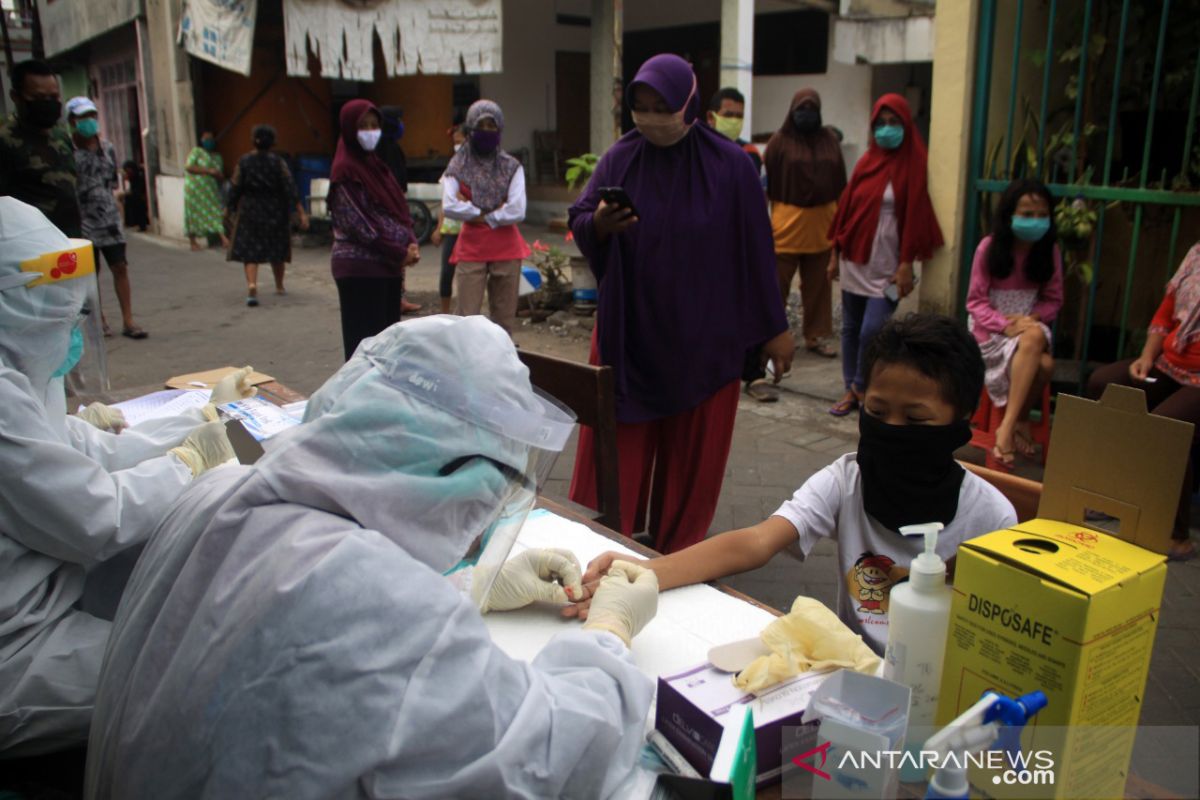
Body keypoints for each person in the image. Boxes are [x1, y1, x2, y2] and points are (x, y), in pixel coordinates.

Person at [85, 316, 660, 799]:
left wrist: (473, 589)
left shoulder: (218, 493)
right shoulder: (377, 602)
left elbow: (287, 620)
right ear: (459, 473)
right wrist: (608, 635)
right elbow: (553, 756)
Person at [570, 314, 1017, 655]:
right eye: (877, 413)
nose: (892, 429)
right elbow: (757, 541)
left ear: (960, 420)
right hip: (848, 675)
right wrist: (645, 572)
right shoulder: (848, 480)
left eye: (916, 419)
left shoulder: (992, 518)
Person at [0, 198, 248, 756]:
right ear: (14, 310)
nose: (70, 335)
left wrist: (200, 416)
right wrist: (185, 464)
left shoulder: (16, 366)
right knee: (202, 674)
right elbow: (96, 518)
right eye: (57, 319)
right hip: (17, 652)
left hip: (50, 598)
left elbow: (79, 449)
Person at [566, 54, 794, 554]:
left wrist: (775, 328)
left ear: (689, 103)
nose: (651, 118)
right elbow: (581, 217)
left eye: (662, 106)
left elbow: (757, 250)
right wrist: (600, 225)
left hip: (704, 341)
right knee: (615, 449)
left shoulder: (732, 167)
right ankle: (599, 545)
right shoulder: (619, 158)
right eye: (641, 107)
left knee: (691, 456)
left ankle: (677, 552)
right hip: (630, 335)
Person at [827, 94, 943, 417]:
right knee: (850, 328)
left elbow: (916, 219)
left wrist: (907, 264)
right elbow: (846, 211)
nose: (886, 129)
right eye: (881, 123)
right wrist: (835, 254)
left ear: (906, 126)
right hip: (854, 263)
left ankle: (863, 386)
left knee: (872, 330)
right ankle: (852, 388)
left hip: (891, 270)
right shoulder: (866, 162)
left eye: (894, 123)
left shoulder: (915, 164)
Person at [1086, 242, 1200, 562]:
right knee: (1105, 383)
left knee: (1164, 427)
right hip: (1169, 364)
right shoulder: (1196, 253)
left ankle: (1176, 535)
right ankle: (1111, 496)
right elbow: (1165, 313)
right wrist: (1147, 357)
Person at [966, 179, 1063, 467]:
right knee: (1045, 366)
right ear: (1010, 215)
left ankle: (1006, 426)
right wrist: (1004, 324)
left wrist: (1030, 318)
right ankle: (1018, 421)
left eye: (1041, 215)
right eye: (1027, 214)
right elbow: (975, 301)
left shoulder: (1049, 252)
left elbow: (1054, 300)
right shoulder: (989, 248)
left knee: (1033, 337)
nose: (1035, 221)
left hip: (1029, 323)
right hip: (990, 331)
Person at [328, 99, 420, 361]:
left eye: (374, 125)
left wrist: (411, 242)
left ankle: (381, 401)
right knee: (364, 353)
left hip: (388, 269)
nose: (370, 131)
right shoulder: (345, 170)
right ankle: (360, 402)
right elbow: (360, 224)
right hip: (360, 272)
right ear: (348, 129)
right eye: (363, 126)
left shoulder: (376, 166)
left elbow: (399, 209)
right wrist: (398, 251)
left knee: (386, 351)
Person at [764, 88, 847, 362]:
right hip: (785, 229)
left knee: (818, 288)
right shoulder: (779, 142)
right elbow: (766, 185)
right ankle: (771, 335)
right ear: (792, 110)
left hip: (822, 228)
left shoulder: (829, 141)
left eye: (812, 109)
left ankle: (815, 336)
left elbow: (840, 184)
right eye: (802, 108)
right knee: (776, 286)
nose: (806, 114)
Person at [442, 99, 530, 335]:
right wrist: (492, 212)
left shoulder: (511, 166)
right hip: (472, 247)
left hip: (507, 248)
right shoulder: (458, 164)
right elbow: (449, 205)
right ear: (470, 127)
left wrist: (479, 215)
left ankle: (500, 369)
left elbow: (518, 209)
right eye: (482, 125)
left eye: (493, 126)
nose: (487, 132)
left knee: (504, 323)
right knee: (466, 321)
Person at [66, 96, 148, 340]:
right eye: (83, 117)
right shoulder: (67, 151)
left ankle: (128, 320)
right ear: (72, 121)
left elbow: (112, 180)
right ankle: (98, 320)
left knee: (120, 267)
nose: (89, 122)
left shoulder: (108, 147)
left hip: (109, 218)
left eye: (92, 116)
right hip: (82, 219)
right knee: (91, 272)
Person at [226, 124, 309, 307]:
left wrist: (229, 209)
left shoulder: (244, 161)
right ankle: (279, 285)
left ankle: (252, 284)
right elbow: (290, 188)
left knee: (250, 252)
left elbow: (235, 187)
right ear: (273, 141)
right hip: (275, 210)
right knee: (277, 250)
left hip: (250, 210)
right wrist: (300, 211)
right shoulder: (278, 162)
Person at [0, 60, 81, 239]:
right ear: (16, 96)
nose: (48, 103)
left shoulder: (61, 136)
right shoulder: (5, 142)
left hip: (71, 246)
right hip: (30, 251)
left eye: (53, 97)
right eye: (38, 98)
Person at [431, 124, 467, 314]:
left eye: (460, 141)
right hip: (452, 228)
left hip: (471, 226)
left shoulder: (476, 168)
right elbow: (445, 201)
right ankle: (444, 312)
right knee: (447, 271)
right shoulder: (450, 168)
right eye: (455, 142)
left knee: (468, 273)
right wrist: (439, 227)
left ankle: (465, 311)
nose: (457, 145)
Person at [184, 131, 230, 251]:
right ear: (202, 141)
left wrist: (218, 175)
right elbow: (189, 167)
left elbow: (221, 174)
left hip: (211, 190)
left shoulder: (217, 157)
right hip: (194, 190)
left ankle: (224, 239)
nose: (209, 142)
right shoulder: (197, 152)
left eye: (211, 139)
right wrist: (208, 171)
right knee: (192, 214)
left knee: (215, 211)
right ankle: (193, 242)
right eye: (206, 139)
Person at [705, 86, 762, 174]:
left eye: (739, 116)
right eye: (728, 115)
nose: (734, 121)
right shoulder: (698, 150)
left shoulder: (749, 152)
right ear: (710, 117)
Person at [120, 160, 150, 231]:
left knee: (138, 207)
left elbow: (139, 189)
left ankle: (142, 225)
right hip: (136, 196)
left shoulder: (139, 175)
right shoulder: (133, 176)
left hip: (140, 197)